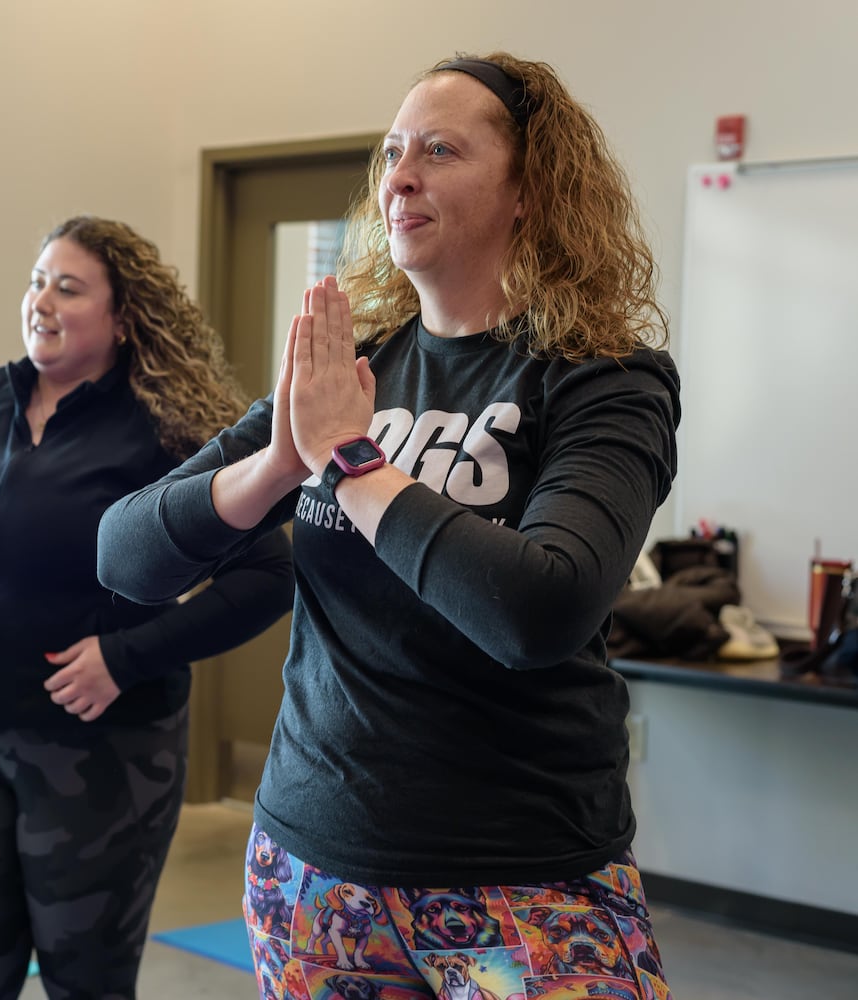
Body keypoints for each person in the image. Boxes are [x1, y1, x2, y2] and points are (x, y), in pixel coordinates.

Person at [99, 53, 680, 1000]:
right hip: (315, 875)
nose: (399, 177)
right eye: (392, 152)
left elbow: (540, 607)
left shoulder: (602, 378)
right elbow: (125, 557)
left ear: (530, 190)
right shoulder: (353, 367)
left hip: (526, 879)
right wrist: (284, 460)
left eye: (440, 150)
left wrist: (352, 460)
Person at [0, 215, 294, 999]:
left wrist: (125, 658)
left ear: (123, 318)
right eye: (36, 282)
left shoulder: (167, 431)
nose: (43, 301)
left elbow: (268, 574)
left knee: (85, 982)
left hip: (102, 758)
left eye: (69, 287)